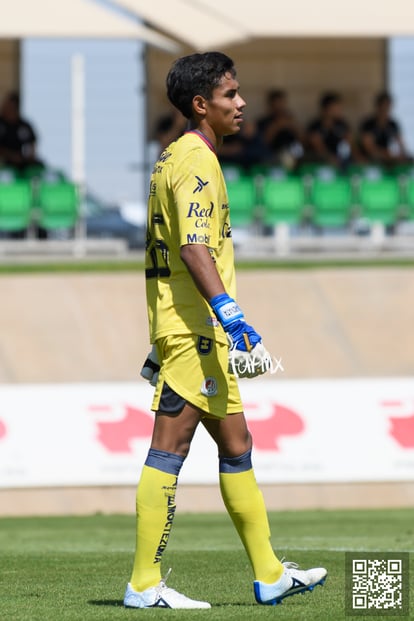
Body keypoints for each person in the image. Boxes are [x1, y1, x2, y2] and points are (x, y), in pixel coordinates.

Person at [123, 51, 327, 610]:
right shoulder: (194, 161)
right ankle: (143, 582)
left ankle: (269, 574)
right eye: (230, 95)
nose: (241, 104)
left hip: (190, 328)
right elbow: (192, 247)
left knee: (237, 444)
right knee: (170, 446)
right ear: (201, 104)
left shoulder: (175, 157)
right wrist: (229, 314)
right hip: (196, 331)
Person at [359, 91, 411, 166]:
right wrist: (386, 154)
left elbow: (401, 144)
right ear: (378, 106)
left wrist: (402, 155)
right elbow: (369, 148)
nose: (386, 109)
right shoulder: (368, 124)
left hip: (387, 157)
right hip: (370, 158)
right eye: (384, 106)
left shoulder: (392, 124)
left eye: (388, 106)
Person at [257, 89, 304, 168]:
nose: (279, 107)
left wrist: (293, 126)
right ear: (271, 105)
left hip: (293, 151)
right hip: (272, 153)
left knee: (299, 152)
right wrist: (276, 126)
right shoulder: (263, 121)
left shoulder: (290, 119)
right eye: (276, 104)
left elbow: (303, 140)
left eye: (281, 103)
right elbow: (263, 143)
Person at [306, 92, 355, 169]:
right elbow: (318, 147)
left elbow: (349, 143)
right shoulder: (315, 126)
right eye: (336, 107)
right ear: (327, 109)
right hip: (322, 160)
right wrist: (331, 158)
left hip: (341, 159)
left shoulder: (342, 124)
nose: (339, 110)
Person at [0, 91, 42, 171]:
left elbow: (32, 146)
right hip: (5, 163)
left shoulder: (24, 126)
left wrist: (27, 158)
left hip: (22, 163)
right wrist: (11, 155)